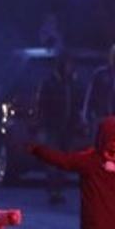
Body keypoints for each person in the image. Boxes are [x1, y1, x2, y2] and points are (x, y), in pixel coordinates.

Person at [37, 52, 83, 204]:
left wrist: (78, 122)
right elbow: (42, 105)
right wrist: (42, 124)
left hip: (68, 127)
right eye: (68, 65)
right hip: (53, 126)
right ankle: (53, 190)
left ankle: (59, 188)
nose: (70, 68)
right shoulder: (50, 83)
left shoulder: (72, 84)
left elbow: (77, 105)